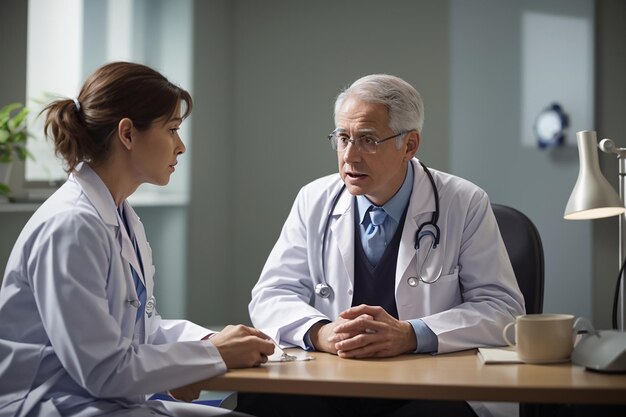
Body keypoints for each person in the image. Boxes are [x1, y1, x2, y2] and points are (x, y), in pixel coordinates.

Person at [237, 74, 525, 417]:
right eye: (343, 138)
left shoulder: (463, 202)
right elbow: (271, 294)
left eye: (368, 140)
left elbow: (503, 309)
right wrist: (321, 332)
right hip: (333, 380)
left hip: (428, 386)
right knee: (260, 401)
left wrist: (412, 335)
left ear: (410, 145)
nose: (350, 156)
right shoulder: (314, 199)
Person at [0, 61, 274, 417]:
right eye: (172, 129)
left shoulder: (120, 215)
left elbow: (141, 331)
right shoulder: (70, 227)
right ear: (127, 134)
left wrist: (208, 341)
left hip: (102, 402)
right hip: (53, 405)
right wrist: (213, 354)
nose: (181, 147)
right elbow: (104, 370)